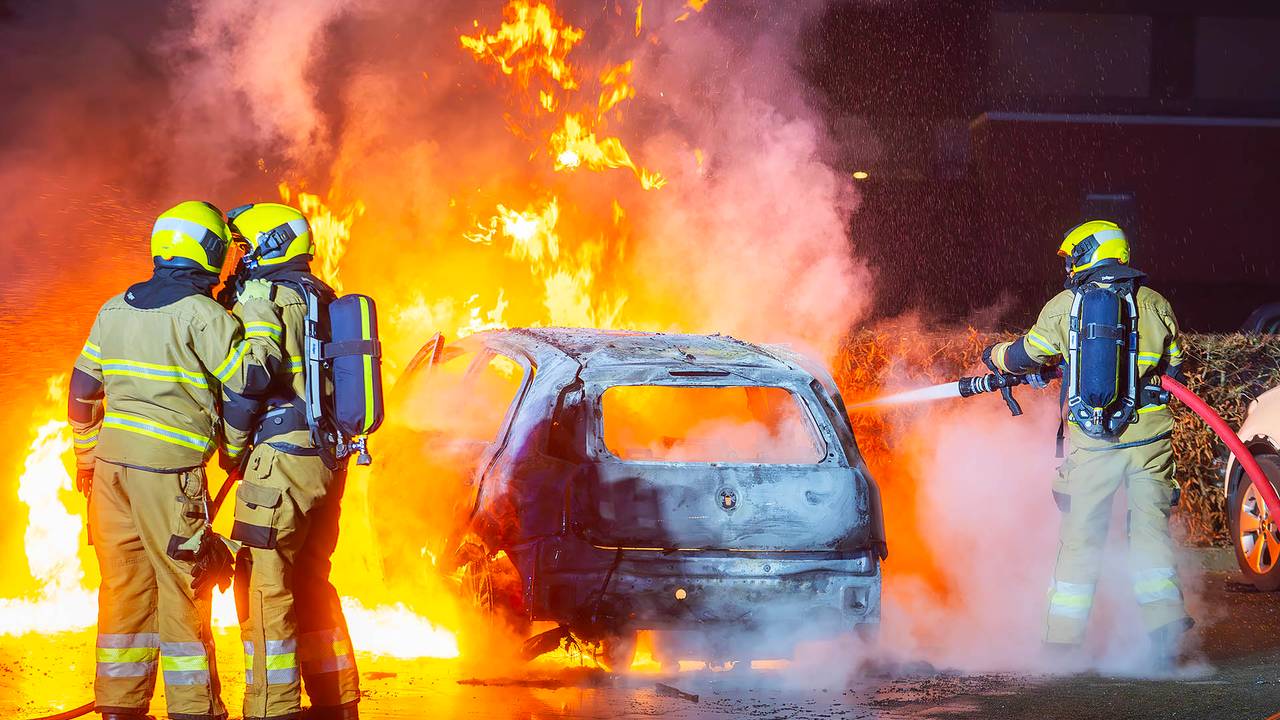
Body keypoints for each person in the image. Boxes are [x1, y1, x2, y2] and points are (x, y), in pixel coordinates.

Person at [68, 201, 283, 720]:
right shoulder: (201, 315)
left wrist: (87, 458)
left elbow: (82, 389)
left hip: (111, 475)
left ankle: (120, 707)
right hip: (167, 478)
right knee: (184, 593)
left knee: (123, 590)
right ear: (207, 252)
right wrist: (260, 319)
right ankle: (194, 710)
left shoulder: (113, 307)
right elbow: (251, 379)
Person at [985, 219, 1192, 666]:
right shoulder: (1155, 303)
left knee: (1082, 540)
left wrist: (994, 355)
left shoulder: (1066, 306)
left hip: (1095, 445)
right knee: (1150, 534)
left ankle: (1061, 644)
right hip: (1150, 439)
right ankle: (1165, 633)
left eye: (1074, 255)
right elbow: (1175, 365)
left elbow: (1027, 355)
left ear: (1090, 253)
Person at [222, 202, 360, 720]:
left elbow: (252, 379)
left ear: (271, 244)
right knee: (310, 580)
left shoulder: (266, 297)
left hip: (278, 463)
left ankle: (270, 708)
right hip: (326, 460)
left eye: (245, 246)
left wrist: (232, 448)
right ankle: (337, 699)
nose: (239, 257)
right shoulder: (321, 296)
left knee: (263, 583)